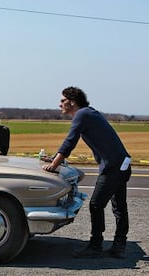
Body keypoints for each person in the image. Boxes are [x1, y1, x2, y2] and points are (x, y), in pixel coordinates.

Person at [42, 86, 132, 259]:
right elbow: (70, 142)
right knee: (119, 206)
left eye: (63, 100)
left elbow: (70, 141)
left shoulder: (82, 115)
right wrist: (54, 157)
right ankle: (119, 246)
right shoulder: (88, 113)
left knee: (96, 205)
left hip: (113, 167)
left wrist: (54, 165)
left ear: (72, 102)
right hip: (121, 165)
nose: (60, 104)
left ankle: (95, 246)